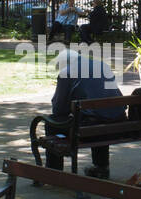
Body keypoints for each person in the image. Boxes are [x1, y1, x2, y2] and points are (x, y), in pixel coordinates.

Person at [45, 48, 125, 179]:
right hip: (118, 124)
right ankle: (101, 167)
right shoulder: (102, 66)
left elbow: (58, 109)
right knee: (99, 117)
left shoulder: (67, 72)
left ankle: (54, 172)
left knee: (52, 123)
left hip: (90, 130)